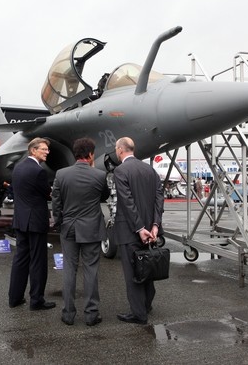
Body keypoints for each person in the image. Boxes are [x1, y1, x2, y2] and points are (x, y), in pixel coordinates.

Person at [51, 138, 109, 326]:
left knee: (69, 269)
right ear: (91, 154)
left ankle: (68, 313)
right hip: (91, 229)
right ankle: (91, 314)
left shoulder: (61, 174)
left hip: (69, 228)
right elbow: (104, 196)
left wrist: (60, 224)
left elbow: (56, 204)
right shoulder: (99, 175)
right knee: (91, 270)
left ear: (75, 153)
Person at [112, 137, 164, 325]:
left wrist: (140, 228)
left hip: (130, 230)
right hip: (152, 230)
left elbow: (127, 202)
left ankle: (138, 313)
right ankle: (147, 304)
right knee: (146, 268)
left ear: (120, 150)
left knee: (132, 272)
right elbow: (159, 198)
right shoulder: (150, 169)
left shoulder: (120, 170)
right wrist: (155, 225)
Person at [8, 137, 55, 311]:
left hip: (20, 221)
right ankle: (37, 300)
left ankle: (14, 297)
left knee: (20, 259)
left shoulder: (18, 168)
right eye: (43, 149)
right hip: (35, 221)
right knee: (38, 261)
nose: (47, 152)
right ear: (33, 150)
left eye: (47, 149)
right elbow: (48, 194)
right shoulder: (39, 171)